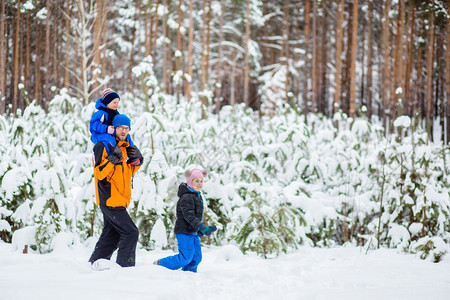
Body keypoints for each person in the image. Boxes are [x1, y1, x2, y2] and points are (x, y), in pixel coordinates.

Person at [88, 114, 144, 270]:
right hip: (110, 199)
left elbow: (126, 174)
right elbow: (100, 174)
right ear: (114, 128)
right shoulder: (103, 145)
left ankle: (94, 264)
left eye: (127, 128)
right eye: (121, 128)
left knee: (112, 235)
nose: (124, 131)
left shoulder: (125, 147)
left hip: (120, 199)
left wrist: (138, 162)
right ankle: (125, 269)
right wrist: (112, 159)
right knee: (131, 232)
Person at [154, 169, 217, 273]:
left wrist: (199, 230)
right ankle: (160, 264)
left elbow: (196, 217)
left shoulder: (197, 195)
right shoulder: (186, 197)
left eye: (201, 181)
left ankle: (188, 275)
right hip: (184, 231)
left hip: (193, 232)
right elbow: (189, 216)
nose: (200, 184)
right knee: (185, 257)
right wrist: (201, 227)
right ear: (190, 181)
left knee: (196, 258)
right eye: (196, 181)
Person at [89, 88, 133, 152]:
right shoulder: (99, 114)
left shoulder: (115, 113)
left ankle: (133, 154)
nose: (116, 105)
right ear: (107, 102)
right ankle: (113, 155)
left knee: (126, 136)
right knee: (109, 138)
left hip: (112, 133)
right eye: (114, 102)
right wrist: (106, 129)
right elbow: (94, 125)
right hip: (98, 135)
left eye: (117, 102)